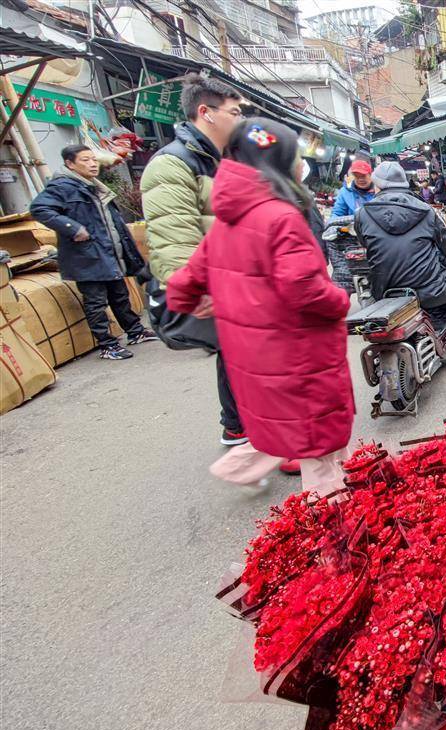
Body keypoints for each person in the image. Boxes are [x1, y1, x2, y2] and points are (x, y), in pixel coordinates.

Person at [167, 118, 354, 496]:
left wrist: (198, 301)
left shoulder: (226, 221)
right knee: (321, 441)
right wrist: (340, 300)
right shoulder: (281, 217)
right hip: (297, 354)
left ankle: (237, 467)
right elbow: (304, 289)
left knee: (279, 422)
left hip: (254, 357)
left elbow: (183, 283)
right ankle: (333, 526)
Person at [140, 73, 259, 451]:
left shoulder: (222, 161)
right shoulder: (172, 165)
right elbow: (173, 237)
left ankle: (241, 426)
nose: (241, 120)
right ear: (205, 113)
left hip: (232, 281)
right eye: (235, 112)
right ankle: (244, 428)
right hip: (205, 288)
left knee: (243, 352)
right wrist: (195, 289)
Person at [30, 145, 158, 360]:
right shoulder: (63, 186)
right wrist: (73, 228)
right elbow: (40, 208)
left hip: (106, 252)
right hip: (86, 256)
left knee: (119, 295)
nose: (92, 164)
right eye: (85, 160)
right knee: (96, 301)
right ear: (70, 164)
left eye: (93, 159)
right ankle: (107, 345)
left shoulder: (91, 185)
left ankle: (135, 332)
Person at [355, 161, 446, 343]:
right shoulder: (425, 210)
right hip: (429, 291)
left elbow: (366, 243)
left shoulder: (362, 214)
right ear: (404, 183)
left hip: (384, 292)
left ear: (377, 185)